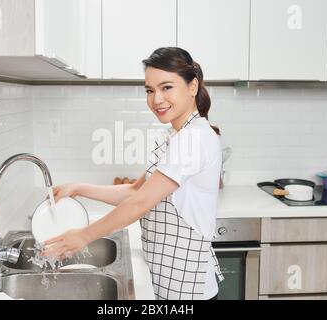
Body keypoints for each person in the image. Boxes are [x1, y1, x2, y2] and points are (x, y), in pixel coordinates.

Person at [42, 47, 224, 300]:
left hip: (187, 289)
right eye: (150, 90)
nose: (156, 99)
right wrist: (78, 188)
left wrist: (84, 236)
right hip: (169, 278)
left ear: (192, 87)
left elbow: (140, 203)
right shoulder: (178, 136)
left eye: (166, 87)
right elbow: (135, 191)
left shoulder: (194, 138)